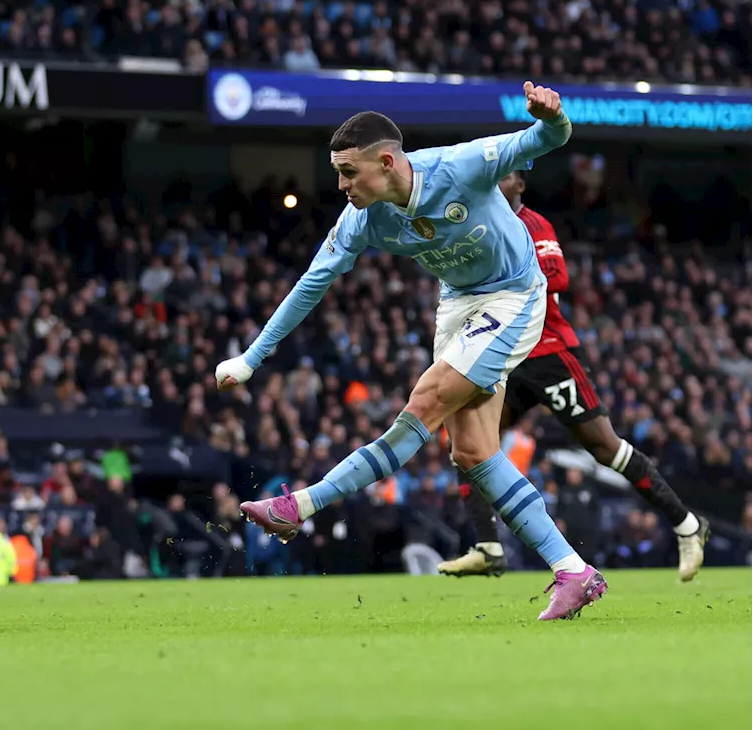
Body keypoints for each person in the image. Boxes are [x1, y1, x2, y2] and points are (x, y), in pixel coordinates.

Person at [216, 82, 605, 621]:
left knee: (424, 402)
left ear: (386, 161)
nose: (341, 184)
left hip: (515, 295)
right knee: (472, 454)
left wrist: (553, 115)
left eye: (349, 172)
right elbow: (311, 284)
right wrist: (252, 358)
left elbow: (548, 139)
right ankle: (573, 571)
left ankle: (300, 505)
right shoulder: (362, 218)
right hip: (457, 305)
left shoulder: (462, 166)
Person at [439, 171, 708, 580]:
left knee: (605, 447)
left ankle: (688, 525)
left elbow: (556, 277)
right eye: (491, 178)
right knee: (468, 443)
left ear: (521, 185)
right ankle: (488, 545)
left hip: (548, 353)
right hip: (503, 356)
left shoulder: (534, 224)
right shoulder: (477, 224)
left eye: (505, 177)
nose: (496, 185)